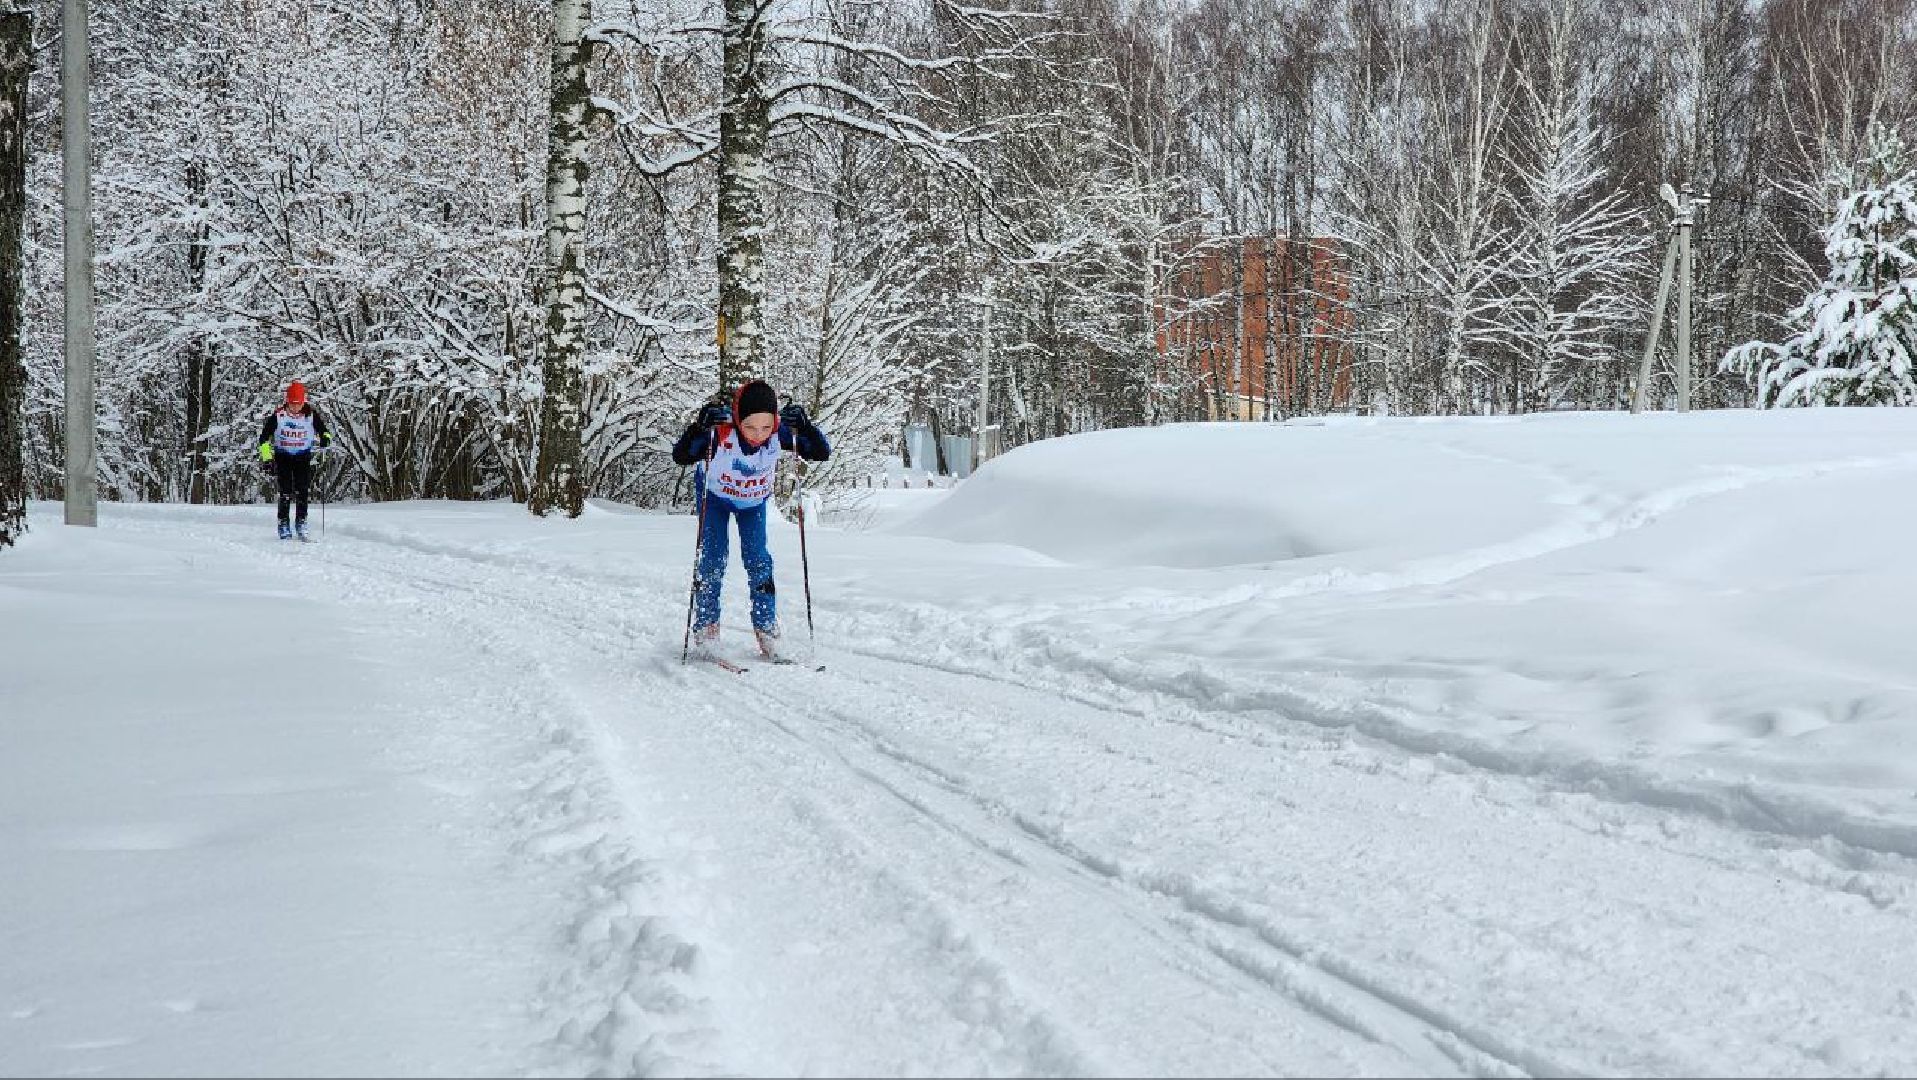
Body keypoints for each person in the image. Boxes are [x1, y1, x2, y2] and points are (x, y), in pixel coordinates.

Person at [671, 379, 830, 659]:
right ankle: (706, 628)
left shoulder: (779, 433)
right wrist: (699, 427)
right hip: (715, 497)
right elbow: (681, 455)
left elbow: (821, 452)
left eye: (766, 427)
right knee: (713, 559)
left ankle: (766, 629)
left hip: (753, 503)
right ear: (737, 419)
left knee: (759, 560)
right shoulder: (721, 431)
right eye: (750, 427)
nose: (758, 435)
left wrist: (805, 428)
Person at [257, 380, 332, 541]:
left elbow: (324, 431)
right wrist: (267, 458)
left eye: (298, 404)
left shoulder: (311, 415)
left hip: (302, 456)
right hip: (283, 455)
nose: (295, 407)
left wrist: (325, 439)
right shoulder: (279, 416)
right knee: (285, 490)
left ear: (303, 402)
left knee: (302, 490)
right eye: (292, 404)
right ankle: (283, 523)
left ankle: (301, 522)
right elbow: (263, 438)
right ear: (287, 401)